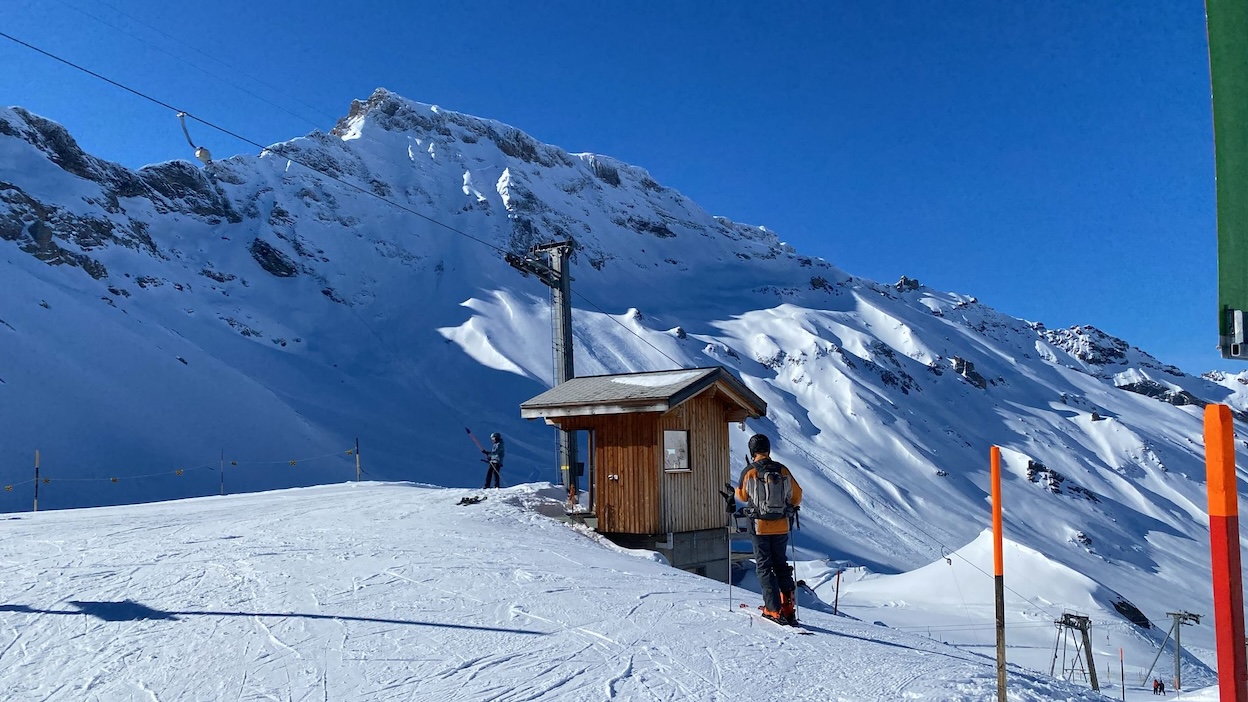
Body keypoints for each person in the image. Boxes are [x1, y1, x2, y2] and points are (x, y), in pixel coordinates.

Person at [734, 433, 803, 625]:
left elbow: (741, 495)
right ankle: (788, 609)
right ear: (768, 450)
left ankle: (773, 609)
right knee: (781, 565)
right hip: (781, 526)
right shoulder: (782, 470)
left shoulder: (750, 471)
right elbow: (797, 496)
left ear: (752, 451)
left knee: (764, 566)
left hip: (759, 526)